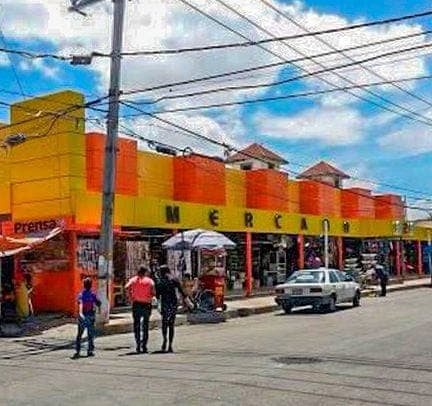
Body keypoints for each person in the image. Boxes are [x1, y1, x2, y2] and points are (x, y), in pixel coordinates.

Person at [156, 265, 186, 353]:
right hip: (173, 303)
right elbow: (182, 292)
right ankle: (170, 344)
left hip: (165, 303)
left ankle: (164, 339)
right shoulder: (174, 279)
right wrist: (188, 301)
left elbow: (157, 295)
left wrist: (158, 304)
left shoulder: (160, 281)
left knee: (164, 323)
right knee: (171, 324)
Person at [125, 266, 155, 353]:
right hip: (146, 304)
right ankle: (144, 345)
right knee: (145, 325)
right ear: (145, 272)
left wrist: (130, 297)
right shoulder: (150, 281)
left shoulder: (133, 280)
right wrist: (150, 296)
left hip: (136, 304)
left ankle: (138, 344)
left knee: (137, 325)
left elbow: (126, 287)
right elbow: (153, 292)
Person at [72, 278, 101, 359]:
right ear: (91, 285)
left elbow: (80, 303)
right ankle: (90, 350)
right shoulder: (92, 294)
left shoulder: (81, 294)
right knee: (90, 334)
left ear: (84, 285)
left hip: (83, 316)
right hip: (90, 315)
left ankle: (78, 350)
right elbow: (98, 303)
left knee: (79, 334)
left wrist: (80, 313)